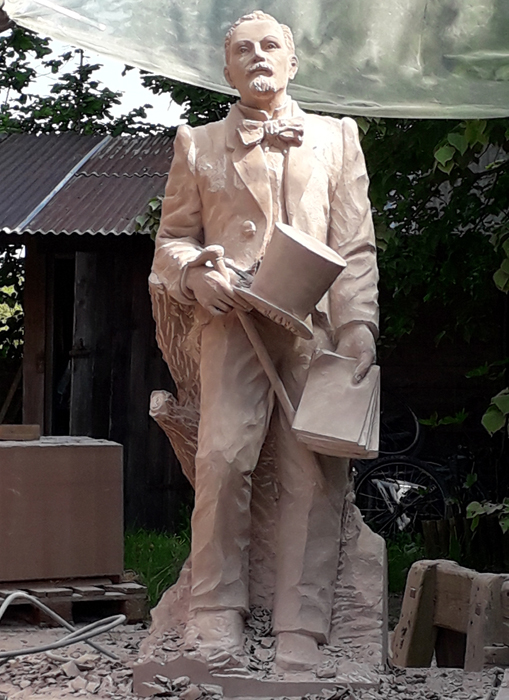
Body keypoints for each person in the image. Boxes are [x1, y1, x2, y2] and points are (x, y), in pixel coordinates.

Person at [151, 10, 378, 672]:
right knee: (222, 460)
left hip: (313, 328)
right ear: (226, 70)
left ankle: (301, 625)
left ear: (292, 62)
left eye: (270, 45)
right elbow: (171, 241)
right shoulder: (196, 143)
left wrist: (359, 326)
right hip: (233, 326)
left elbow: (354, 244)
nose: (257, 56)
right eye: (243, 49)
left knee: (313, 471)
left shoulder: (337, 137)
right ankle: (214, 612)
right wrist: (195, 274)